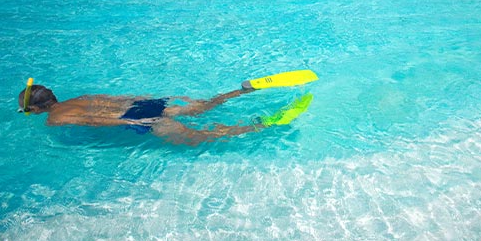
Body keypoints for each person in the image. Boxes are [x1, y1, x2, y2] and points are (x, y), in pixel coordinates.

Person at [18, 81, 313, 145]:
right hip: (141, 105)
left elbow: (92, 121)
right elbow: (118, 98)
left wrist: (138, 122)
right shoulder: (81, 94)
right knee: (204, 106)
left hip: (135, 118)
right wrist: (154, 101)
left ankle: (259, 126)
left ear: (34, 109)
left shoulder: (54, 118)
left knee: (197, 137)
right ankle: (242, 90)